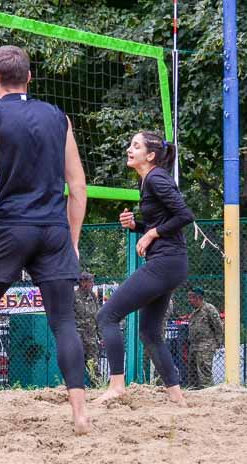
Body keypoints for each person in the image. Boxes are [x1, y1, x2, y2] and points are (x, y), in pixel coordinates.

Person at [0, 45, 89, 434]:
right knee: (63, 323)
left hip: (10, 227)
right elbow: (77, 186)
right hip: (53, 229)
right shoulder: (59, 117)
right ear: (29, 77)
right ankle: (80, 415)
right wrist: (71, 240)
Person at [96, 132, 194, 406]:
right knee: (149, 332)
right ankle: (177, 397)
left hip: (166, 262)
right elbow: (164, 221)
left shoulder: (157, 178)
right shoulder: (147, 180)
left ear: (150, 155)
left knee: (107, 315)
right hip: (169, 262)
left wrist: (150, 235)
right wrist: (136, 227)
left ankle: (117, 385)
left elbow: (185, 215)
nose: (129, 149)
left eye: (135, 146)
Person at [187, 287, 223, 389]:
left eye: (191, 298)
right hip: (194, 345)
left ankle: (208, 391)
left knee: (204, 371)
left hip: (206, 345)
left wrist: (218, 342)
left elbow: (218, 326)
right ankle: (194, 392)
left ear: (199, 298)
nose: (189, 300)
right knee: (192, 372)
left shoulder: (209, 309)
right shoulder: (195, 312)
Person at [74, 272, 101, 386]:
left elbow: (98, 316)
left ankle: (97, 386)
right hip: (77, 336)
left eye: (92, 282)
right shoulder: (73, 297)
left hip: (91, 337)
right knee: (76, 363)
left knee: (93, 364)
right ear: (82, 282)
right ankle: (75, 387)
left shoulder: (93, 297)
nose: (92, 284)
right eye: (90, 281)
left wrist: (101, 336)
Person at [141, 299, 173, 385]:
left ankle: (160, 382)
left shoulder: (167, 300)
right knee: (145, 358)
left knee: (158, 357)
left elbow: (162, 317)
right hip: (145, 335)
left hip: (156, 335)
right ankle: (145, 380)